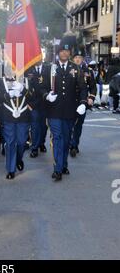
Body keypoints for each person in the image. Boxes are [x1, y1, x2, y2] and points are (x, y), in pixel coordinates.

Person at [40, 40, 88, 182]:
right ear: (58, 53)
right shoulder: (50, 68)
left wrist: (83, 103)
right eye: (62, 51)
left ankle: (64, 164)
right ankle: (58, 169)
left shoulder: (76, 68)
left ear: (69, 53)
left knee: (66, 140)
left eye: (67, 51)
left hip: (69, 111)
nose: (64, 53)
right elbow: (41, 86)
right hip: (53, 111)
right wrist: (46, 95)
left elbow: (83, 88)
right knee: (57, 138)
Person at [0, 72, 35, 180]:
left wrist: (23, 89)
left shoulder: (26, 80)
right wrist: (8, 95)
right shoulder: (2, 80)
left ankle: (18, 159)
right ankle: (11, 169)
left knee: (22, 142)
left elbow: (32, 96)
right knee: (10, 142)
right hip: (8, 115)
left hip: (23, 116)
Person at [69, 49, 97, 157]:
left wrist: (91, 98)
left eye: (80, 58)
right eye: (76, 57)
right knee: (69, 124)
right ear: (73, 59)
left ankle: (74, 145)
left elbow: (93, 87)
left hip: (82, 102)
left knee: (78, 125)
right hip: (70, 102)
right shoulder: (68, 69)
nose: (77, 59)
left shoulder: (88, 71)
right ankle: (70, 142)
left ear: (83, 59)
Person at [26, 61, 51, 158]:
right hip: (33, 104)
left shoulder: (48, 69)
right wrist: (27, 103)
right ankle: (34, 147)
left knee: (44, 126)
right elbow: (25, 86)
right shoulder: (28, 69)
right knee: (35, 126)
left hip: (45, 103)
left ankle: (41, 143)